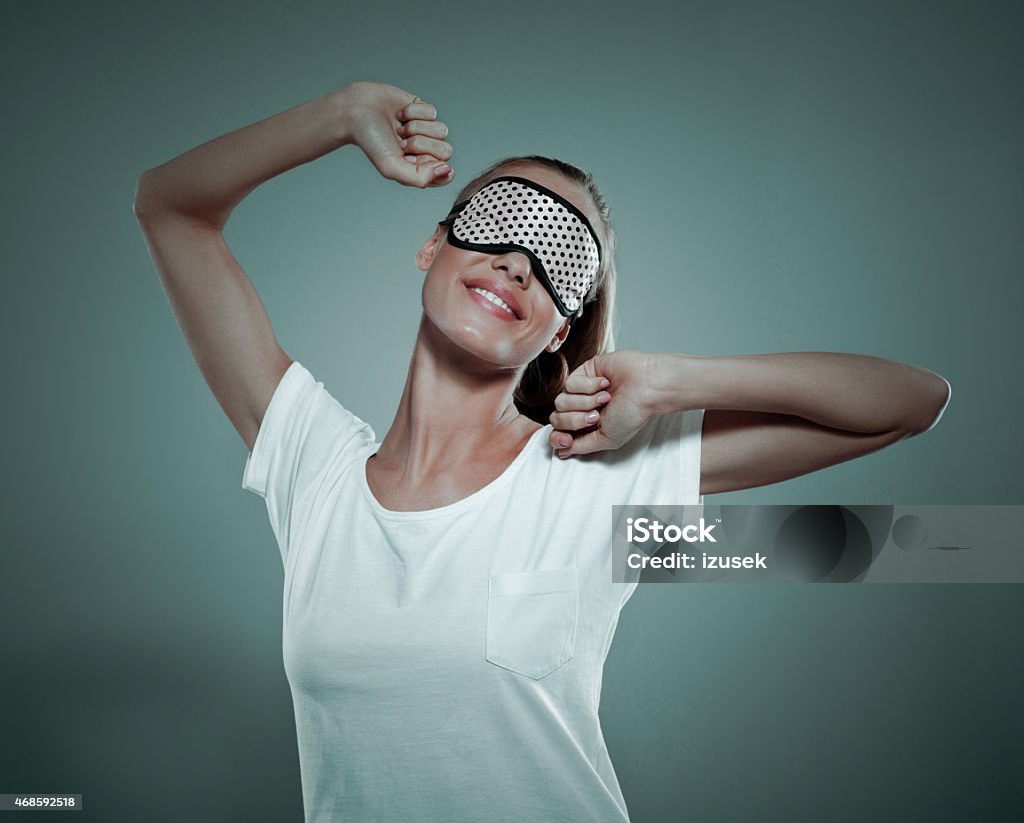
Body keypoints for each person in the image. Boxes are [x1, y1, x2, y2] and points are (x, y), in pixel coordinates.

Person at [133, 80, 951, 822]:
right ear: (435, 245)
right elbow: (169, 206)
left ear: (560, 328)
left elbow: (910, 402)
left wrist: (668, 380)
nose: (519, 260)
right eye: (502, 221)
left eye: (560, 255)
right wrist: (342, 115)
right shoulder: (315, 471)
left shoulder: (594, 470)